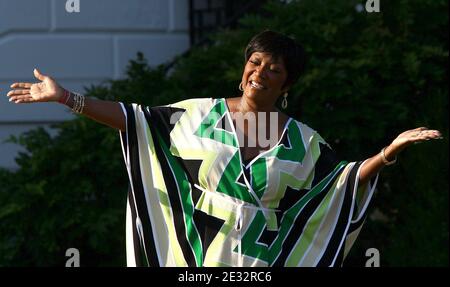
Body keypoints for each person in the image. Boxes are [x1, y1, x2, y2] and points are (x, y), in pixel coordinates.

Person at [6, 30, 442, 267]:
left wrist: (388, 152)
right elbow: (133, 118)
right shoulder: (197, 114)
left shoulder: (304, 141)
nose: (260, 73)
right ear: (243, 69)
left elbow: (340, 185)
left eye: (274, 69)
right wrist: (67, 98)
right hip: (195, 257)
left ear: (286, 84)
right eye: (255, 63)